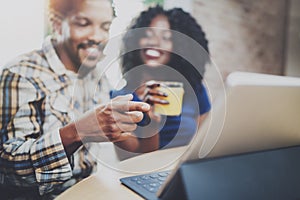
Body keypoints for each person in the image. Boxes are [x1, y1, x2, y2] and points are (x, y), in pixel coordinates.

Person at [0, 0, 150, 198]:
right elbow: (7, 170)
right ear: (56, 23)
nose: (97, 37)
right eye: (83, 23)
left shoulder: (98, 75)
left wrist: (146, 115)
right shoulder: (21, 74)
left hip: (89, 191)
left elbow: (130, 147)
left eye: (105, 27)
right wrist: (77, 132)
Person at [112, 6, 211, 154]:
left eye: (166, 38)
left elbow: (204, 141)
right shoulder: (121, 98)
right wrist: (151, 125)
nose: (154, 42)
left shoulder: (195, 90)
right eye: (148, 34)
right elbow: (129, 160)